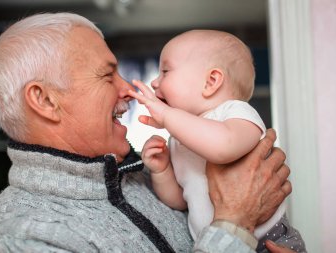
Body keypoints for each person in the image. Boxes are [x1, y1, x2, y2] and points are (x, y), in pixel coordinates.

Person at [0, 13, 292, 253]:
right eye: (107, 75)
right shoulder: (20, 239)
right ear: (45, 100)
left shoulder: (134, 176)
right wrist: (236, 222)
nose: (128, 89)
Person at [128, 30, 305, 252]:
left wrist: (167, 116)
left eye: (165, 71)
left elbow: (224, 147)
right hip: (216, 242)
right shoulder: (178, 138)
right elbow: (180, 202)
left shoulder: (236, 112)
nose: (155, 82)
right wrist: (162, 171)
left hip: (271, 241)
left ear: (211, 81)